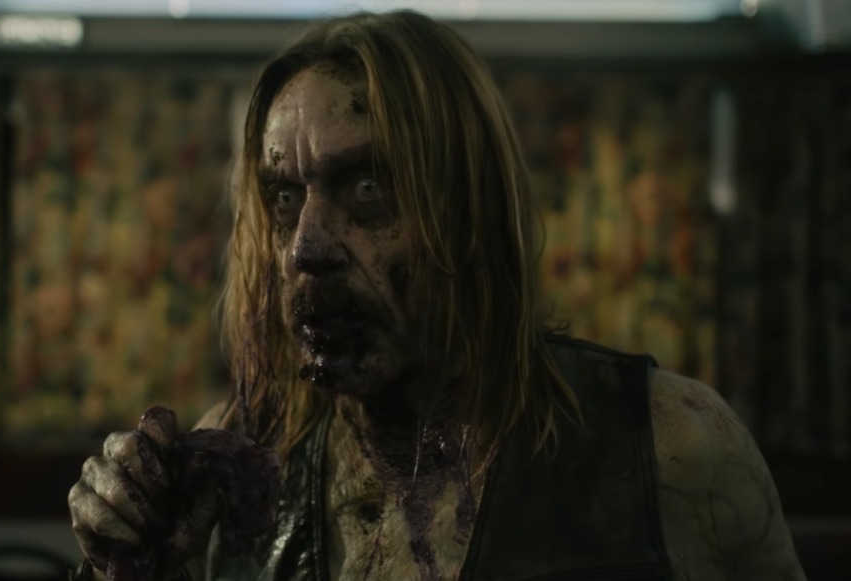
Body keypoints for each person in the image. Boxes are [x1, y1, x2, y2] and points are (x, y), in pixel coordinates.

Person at [67, 10, 806, 581]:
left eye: (367, 187)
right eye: (285, 199)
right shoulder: (242, 467)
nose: (306, 249)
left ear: (468, 209)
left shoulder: (667, 449)